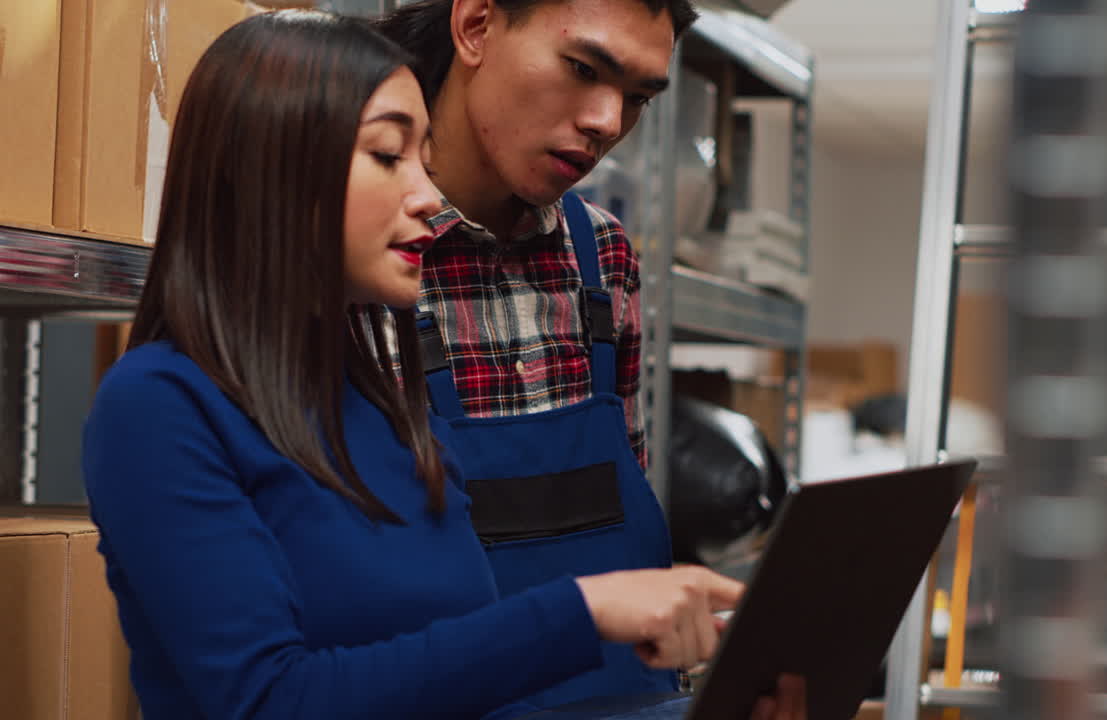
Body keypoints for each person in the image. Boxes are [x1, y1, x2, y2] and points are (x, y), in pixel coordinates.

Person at [81, 11, 804, 719]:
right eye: (391, 156)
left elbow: (465, 687)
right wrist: (584, 612)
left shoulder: (378, 405)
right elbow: (269, 700)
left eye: (422, 159)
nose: (429, 197)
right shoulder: (158, 408)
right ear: (277, 167)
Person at [371, 0, 698, 703]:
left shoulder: (603, 258)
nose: (608, 123)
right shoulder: (359, 254)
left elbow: (623, 528)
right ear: (477, 24)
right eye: (583, 68)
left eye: (638, 98)